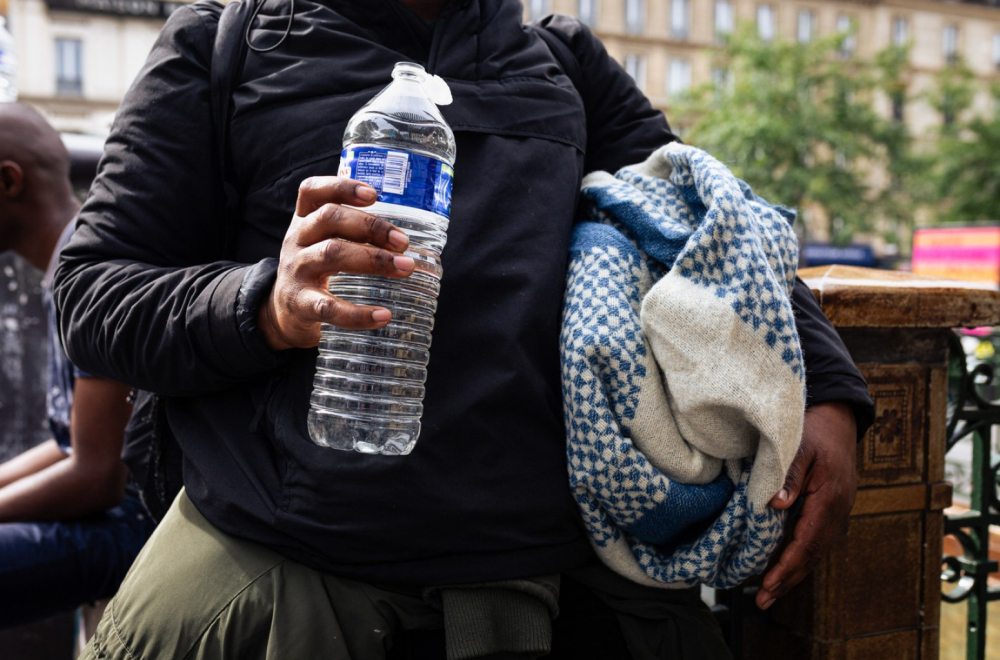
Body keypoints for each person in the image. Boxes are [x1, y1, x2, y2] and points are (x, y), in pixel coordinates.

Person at [55, 1, 873, 658]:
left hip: (565, 590)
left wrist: (830, 395)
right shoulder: (221, 43)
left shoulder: (561, 58)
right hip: (291, 583)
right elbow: (90, 294)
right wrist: (266, 306)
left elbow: (704, 223)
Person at [0, 103, 155, 628]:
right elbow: (76, 439)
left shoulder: (86, 268)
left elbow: (97, 475)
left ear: (8, 181)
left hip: (136, 522)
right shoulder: (68, 259)